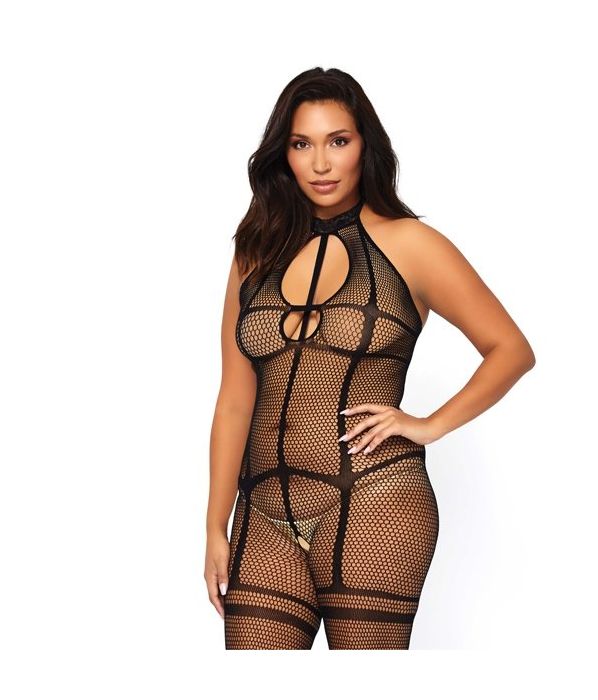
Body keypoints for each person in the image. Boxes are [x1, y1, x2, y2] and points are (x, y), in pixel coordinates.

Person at [204, 67, 536, 650]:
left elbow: (511, 350)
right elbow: (235, 400)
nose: (321, 163)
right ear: (284, 154)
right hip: (264, 512)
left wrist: (428, 424)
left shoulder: (410, 245)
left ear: (365, 145)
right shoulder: (255, 250)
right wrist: (214, 523)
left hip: (374, 502)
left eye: (338, 141)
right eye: (302, 144)